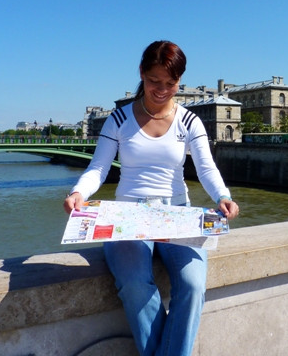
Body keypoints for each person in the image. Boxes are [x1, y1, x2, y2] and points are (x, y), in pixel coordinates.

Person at [63, 40, 239, 356]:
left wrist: (223, 196)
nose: (161, 90)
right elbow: (99, 168)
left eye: (170, 84)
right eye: (153, 81)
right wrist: (79, 192)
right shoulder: (118, 119)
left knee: (194, 286)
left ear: (179, 81)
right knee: (134, 286)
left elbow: (206, 168)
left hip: (177, 212)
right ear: (141, 73)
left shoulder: (189, 121)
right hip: (127, 216)